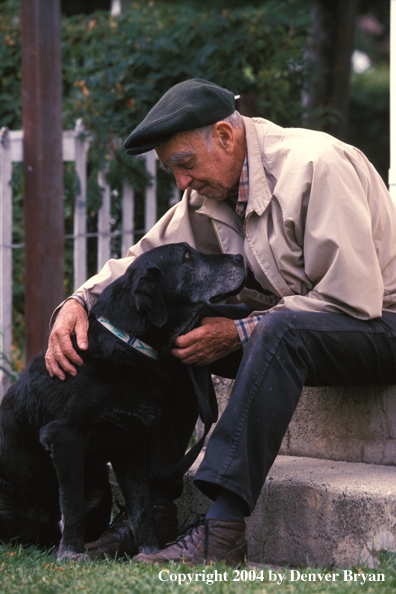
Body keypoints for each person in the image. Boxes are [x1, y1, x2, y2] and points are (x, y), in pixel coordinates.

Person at [45, 78, 396, 565]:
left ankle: (222, 531)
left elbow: (352, 299)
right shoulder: (210, 193)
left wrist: (239, 331)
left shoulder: (317, 165)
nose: (181, 183)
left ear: (225, 138)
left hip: (379, 325)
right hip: (307, 329)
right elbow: (143, 262)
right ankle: (154, 513)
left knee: (273, 328)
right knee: (179, 324)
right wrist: (78, 302)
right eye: (173, 171)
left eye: (184, 165)